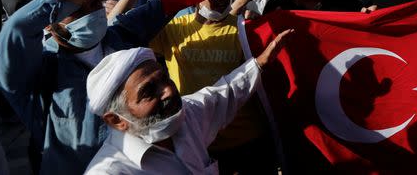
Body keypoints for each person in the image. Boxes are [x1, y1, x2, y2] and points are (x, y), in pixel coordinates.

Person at [0, 0, 163, 175]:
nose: (90, 12)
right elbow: (17, 28)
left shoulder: (121, 36)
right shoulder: (38, 72)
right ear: (48, 22)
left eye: (95, 2)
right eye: (74, 8)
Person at [84, 30, 292, 174]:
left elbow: (224, 93)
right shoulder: (111, 171)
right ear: (116, 120)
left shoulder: (187, 114)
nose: (167, 91)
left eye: (164, 78)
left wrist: (260, 63)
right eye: (148, 92)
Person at [149, 0, 276, 174]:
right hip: (198, 143)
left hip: (247, 139)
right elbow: (120, 37)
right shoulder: (172, 29)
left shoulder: (245, 29)